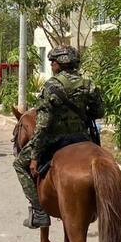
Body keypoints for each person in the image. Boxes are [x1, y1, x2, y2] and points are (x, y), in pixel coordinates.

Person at [13, 45, 104, 229]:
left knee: (18, 164)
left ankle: (39, 212)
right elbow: (99, 111)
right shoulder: (89, 84)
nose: (52, 65)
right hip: (82, 138)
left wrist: (34, 155)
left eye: (52, 62)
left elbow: (43, 124)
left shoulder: (51, 85)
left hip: (55, 140)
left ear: (59, 64)